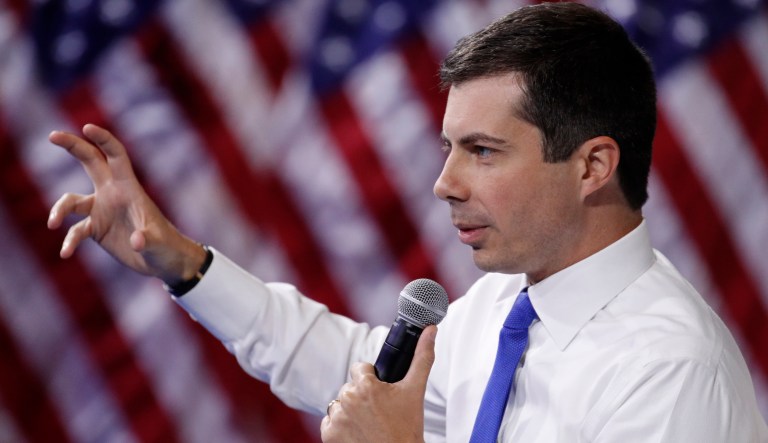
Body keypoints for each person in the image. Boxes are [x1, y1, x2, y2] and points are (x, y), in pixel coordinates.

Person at [47, 2, 767, 442]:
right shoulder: (507, 305)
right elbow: (357, 376)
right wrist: (184, 265)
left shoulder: (668, 373)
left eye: (483, 152)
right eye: (449, 148)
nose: (444, 183)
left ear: (591, 166)